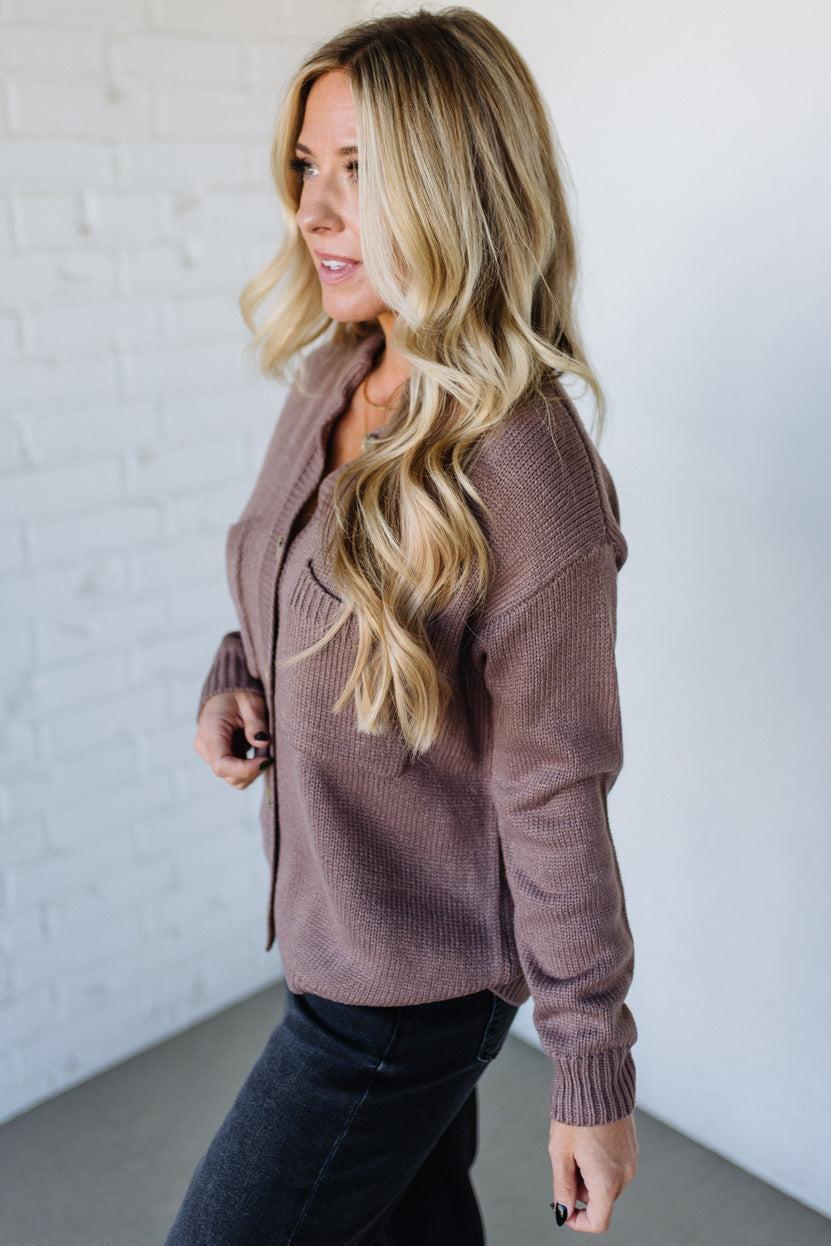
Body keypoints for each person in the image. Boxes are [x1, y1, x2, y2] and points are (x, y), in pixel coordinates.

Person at [165, 7, 639, 1242]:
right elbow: (278, 584)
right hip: (339, 932)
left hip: (409, 991)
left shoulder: (529, 470)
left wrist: (590, 1071)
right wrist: (238, 677)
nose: (313, 213)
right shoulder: (338, 373)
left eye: (359, 172)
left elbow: (556, 788)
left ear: (456, 186)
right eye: (307, 169)